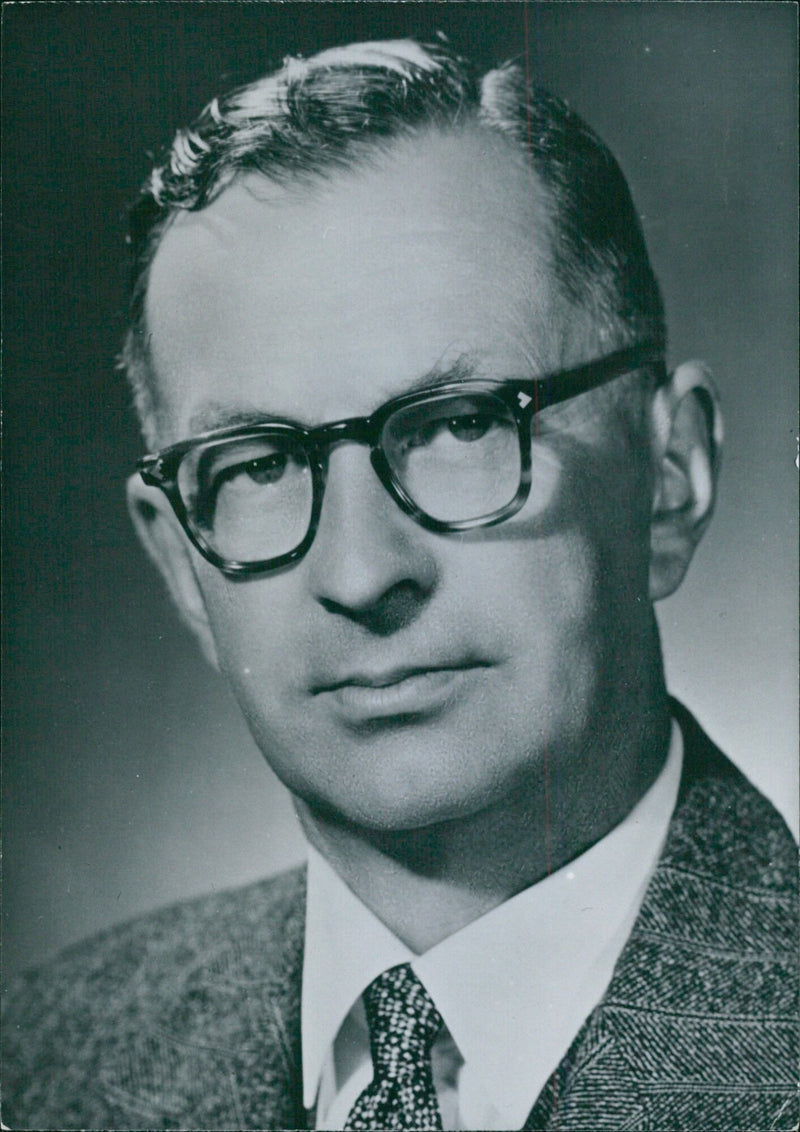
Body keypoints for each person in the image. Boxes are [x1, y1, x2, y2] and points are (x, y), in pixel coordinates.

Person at [3, 37, 797, 1132]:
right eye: (260, 466)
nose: (363, 571)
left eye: (461, 424)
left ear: (668, 477)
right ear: (182, 563)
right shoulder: (42, 1059)